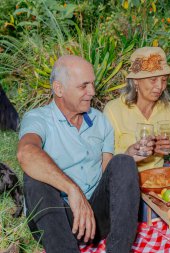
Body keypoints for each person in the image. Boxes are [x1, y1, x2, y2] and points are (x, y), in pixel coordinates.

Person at [17, 55, 140, 253]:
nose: (92, 92)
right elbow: (26, 153)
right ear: (59, 89)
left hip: (95, 220)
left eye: (92, 84)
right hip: (56, 221)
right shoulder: (38, 118)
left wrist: (128, 161)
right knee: (34, 177)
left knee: (123, 162)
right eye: (84, 86)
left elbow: (109, 174)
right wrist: (73, 191)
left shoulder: (100, 121)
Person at [103, 47, 170, 172]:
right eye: (153, 80)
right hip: (124, 181)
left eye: (164, 80)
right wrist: (128, 153)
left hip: (157, 182)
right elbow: (106, 158)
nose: (160, 87)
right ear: (135, 81)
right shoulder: (114, 110)